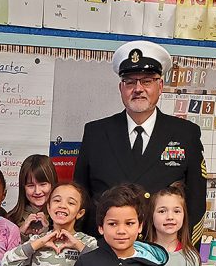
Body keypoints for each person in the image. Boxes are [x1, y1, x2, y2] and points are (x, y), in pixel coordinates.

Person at [73, 40, 207, 245]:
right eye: (130, 82)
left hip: (161, 251)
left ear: (160, 86)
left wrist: (186, 250)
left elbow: (196, 201)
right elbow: (80, 196)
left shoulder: (185, 134)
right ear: (121, 88)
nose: (138, 89)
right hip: (104, 251)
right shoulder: (96, 133)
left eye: (147, 81)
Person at [145, 183, 202, 266]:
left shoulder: (191, 257)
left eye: (176, 211)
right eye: (162, 211)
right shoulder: (143, 255)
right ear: (151, 216)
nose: (170, 217)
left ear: (184, 216)